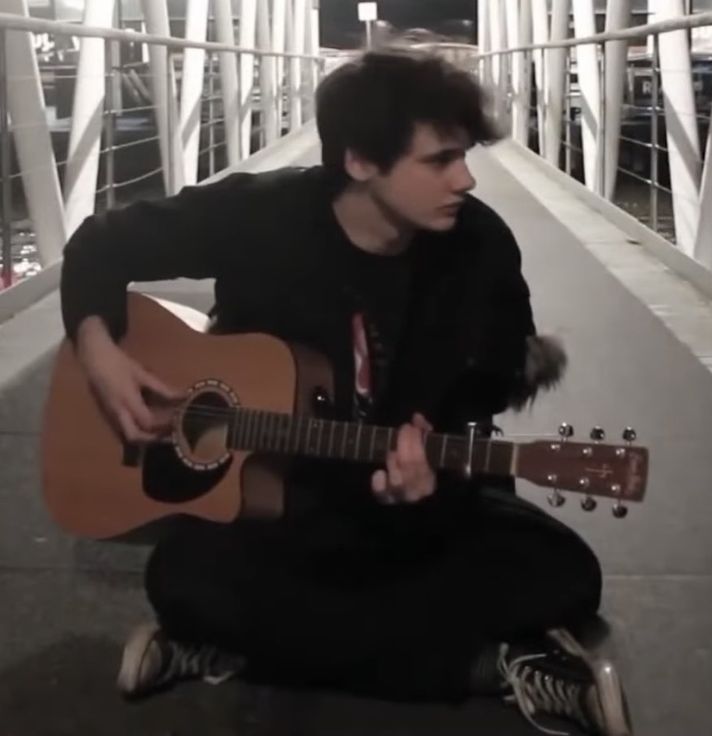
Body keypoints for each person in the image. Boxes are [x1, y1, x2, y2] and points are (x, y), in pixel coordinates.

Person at [59, 50, 631, 736]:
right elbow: (99, 246)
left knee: (563, 572)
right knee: (187, 577)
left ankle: (234, 648)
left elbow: (495, 383)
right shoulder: (261, 215)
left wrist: (432, 447)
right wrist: (99, 354)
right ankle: (487, 668)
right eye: (440, 160)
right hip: (281, 507)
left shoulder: (479, 247)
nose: (467, 177)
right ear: (360, 161)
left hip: (404, 510)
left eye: (466, 155)